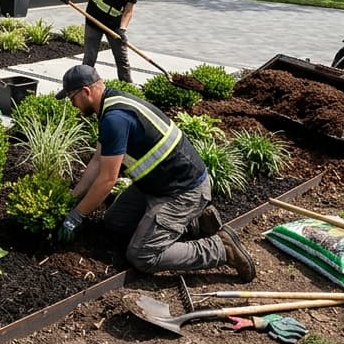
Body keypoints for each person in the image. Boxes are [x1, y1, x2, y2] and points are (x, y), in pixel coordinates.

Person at [54, 64, 257, 280]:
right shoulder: (113, 104)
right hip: (158, 184)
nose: (73, 104)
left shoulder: (115, 119)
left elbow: (107, 180)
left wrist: (76, 216)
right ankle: (194, 222)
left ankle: (221, 248)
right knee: (115, 221)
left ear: (86, 92)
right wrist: (73, 198)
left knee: (142, 255)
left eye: (72, 98)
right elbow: (97, 161)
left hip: (184, 191)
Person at [58, 0, 146, 83]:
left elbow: (128, 10)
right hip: (94, 20)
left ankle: (129, 88)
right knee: (89, 59)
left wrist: (122, 30)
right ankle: (83, 86)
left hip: (114, 25)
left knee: (122, 60)